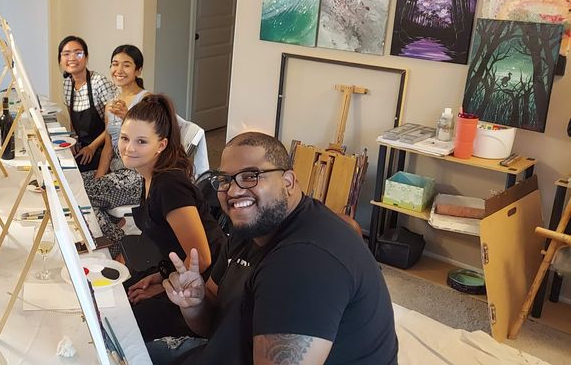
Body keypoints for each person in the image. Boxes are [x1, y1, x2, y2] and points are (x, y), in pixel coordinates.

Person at [155, 132, 397, 364]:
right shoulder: (248, 229)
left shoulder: (305, 263)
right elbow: (214, 325)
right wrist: (195, 304)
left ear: (289, 181)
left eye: (251, 176)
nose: (234, 190)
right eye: (225, 180)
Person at [119, 94, 227, 340]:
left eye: (141, 141)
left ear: (161, 145)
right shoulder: (148, 176)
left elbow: (203, 257)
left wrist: (160, 287)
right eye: (125, 138)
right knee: (117, 295)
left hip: (203, 291)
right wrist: (160, 274)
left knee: (125, 325)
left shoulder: (169, 186)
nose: (129, 148)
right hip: (179, 272)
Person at [82, 45, 149, 250]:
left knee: (81, 195)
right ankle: (114, 233)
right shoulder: (111, 102)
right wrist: (100, 176)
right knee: (72, 184)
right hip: (116, 172)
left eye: (126, 65)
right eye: (115, 64)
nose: (119, 70)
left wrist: (128, 116)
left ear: (138, 71)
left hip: (137, 176)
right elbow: (109, 147)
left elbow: (149, 141)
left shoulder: (146, 100)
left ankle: (116, 245)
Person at [58, 35, 117, 173]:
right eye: (66, 54)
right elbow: (73, 120)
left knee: (69, 173)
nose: (72, 58)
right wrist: (72, 141)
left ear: (86, 57)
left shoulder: (99, 82)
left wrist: (92, 147)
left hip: (104, 148)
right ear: (60, 60)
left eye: (78, 53)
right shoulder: (67, 83)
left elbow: (113, 125)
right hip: (84, 145)